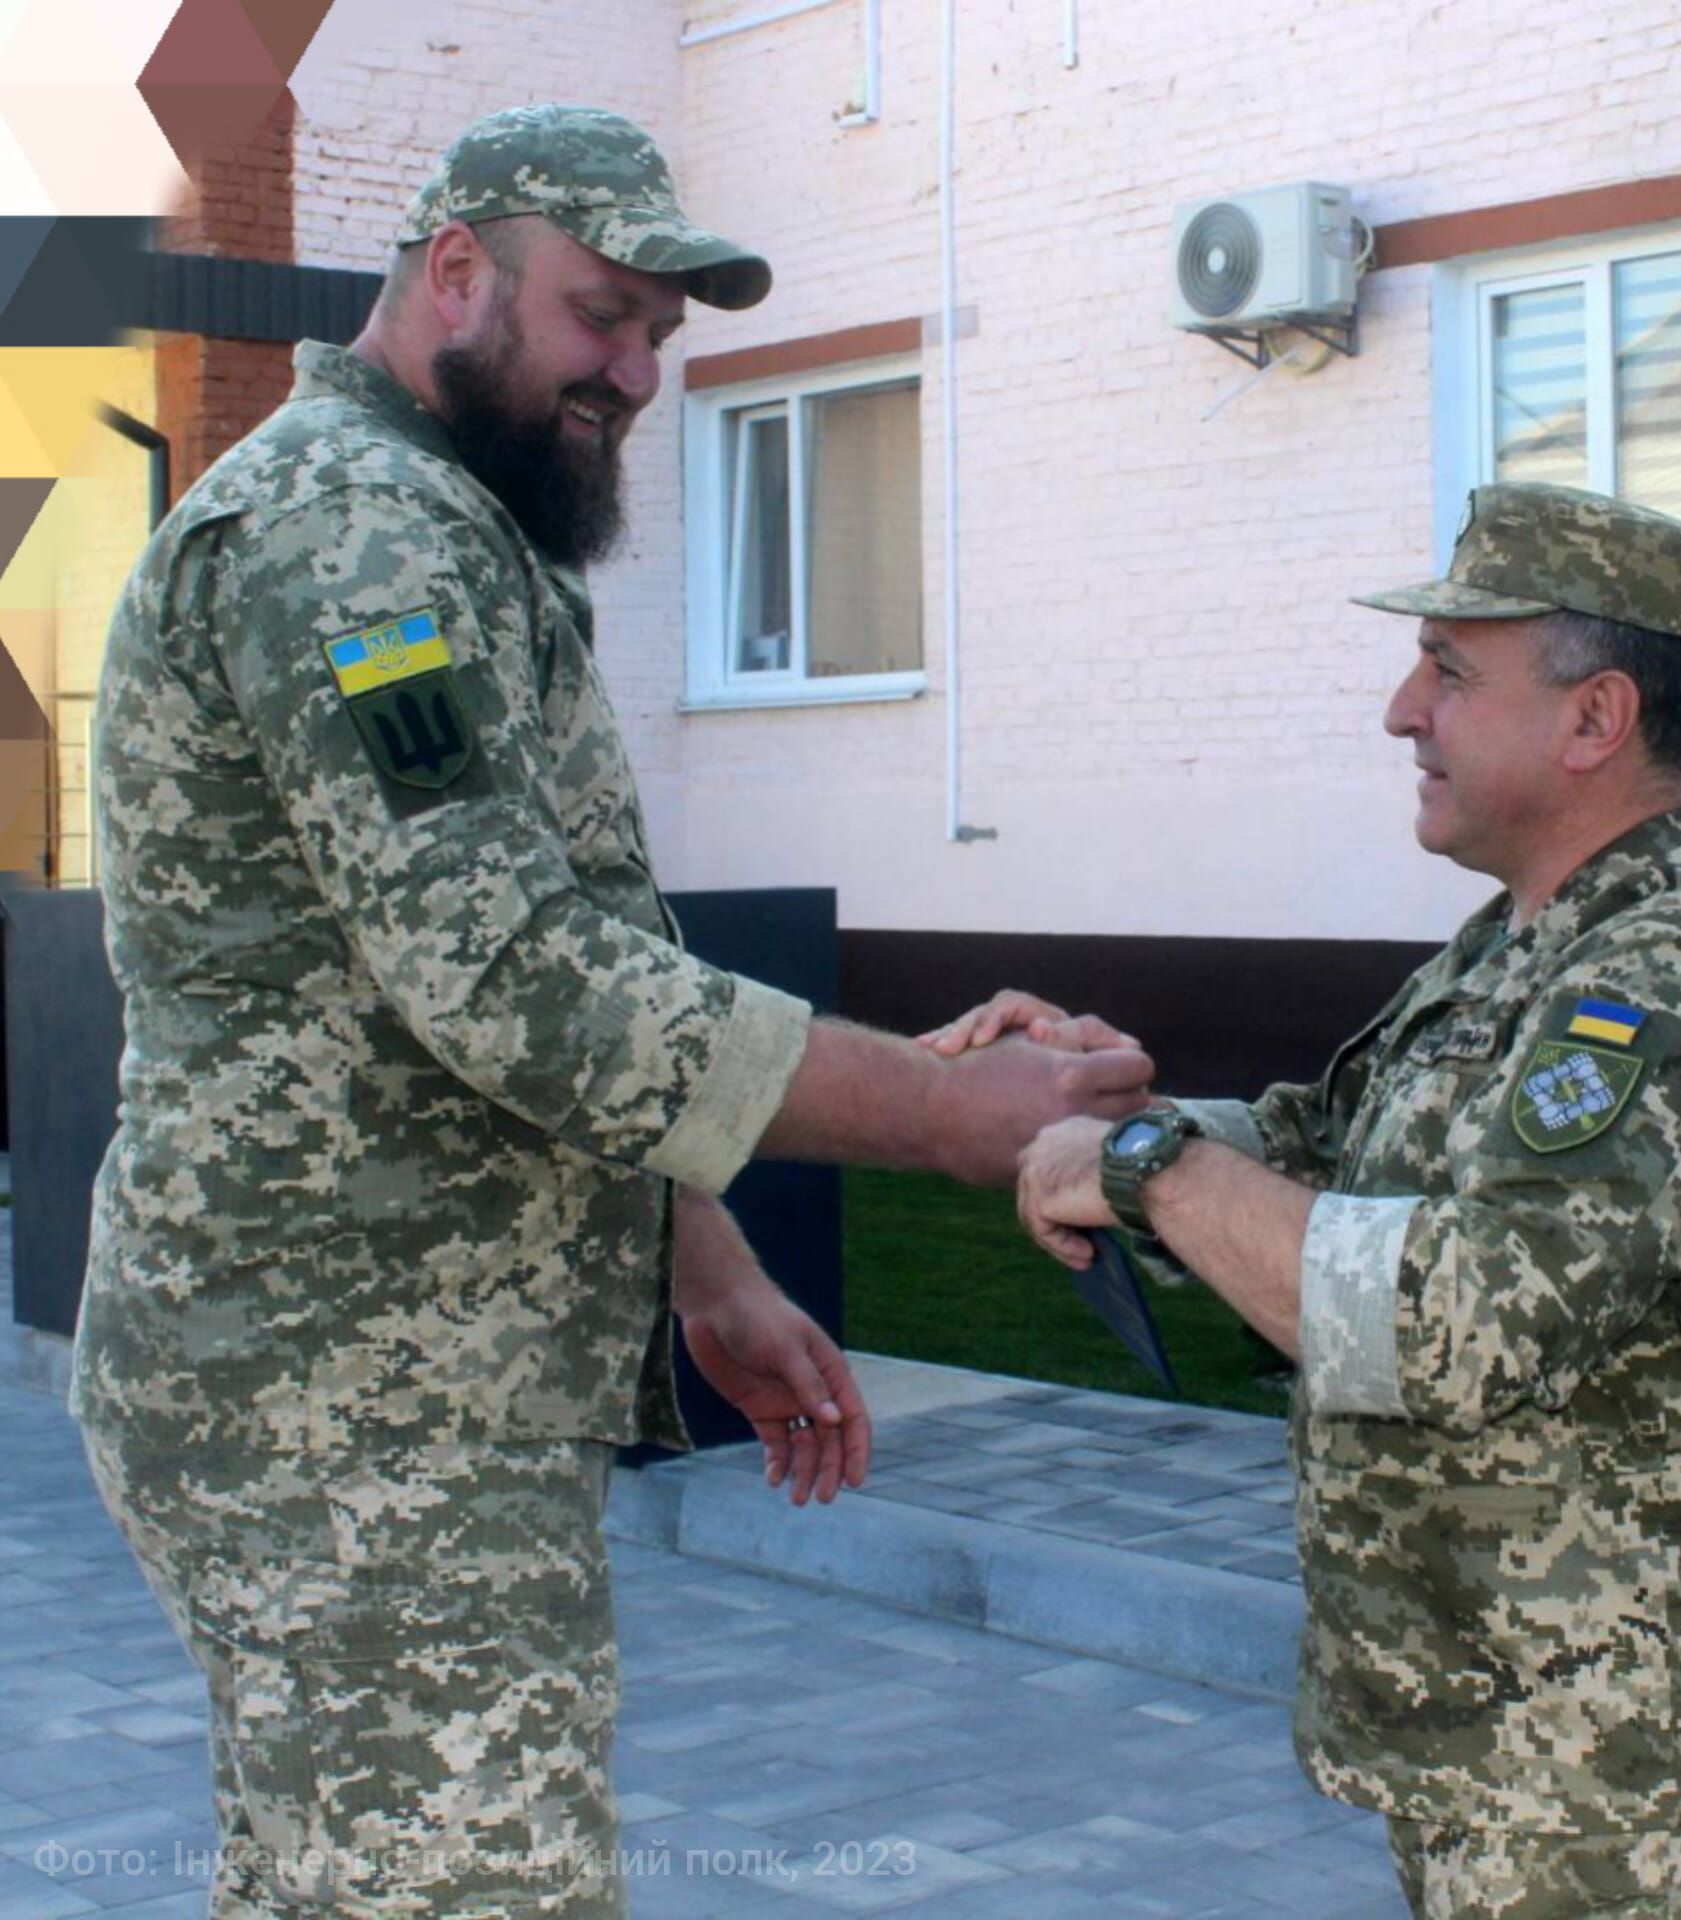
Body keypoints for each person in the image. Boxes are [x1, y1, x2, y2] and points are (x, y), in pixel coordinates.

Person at [74, 104, 1152, 1918]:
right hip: (343, 1409)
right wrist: (957, 1115)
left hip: (380, 1387)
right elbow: (513, 978)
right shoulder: (357, 541)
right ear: (453, 273)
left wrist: (698, 1251)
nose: (639, 371)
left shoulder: (443, 525)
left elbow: (542, 937)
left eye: (664, 333)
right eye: (605, 315)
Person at [942, 483, 1681, 1918]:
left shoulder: (1674, 984)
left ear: (1594, 720)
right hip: (1500, 1752)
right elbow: (1332, 1153)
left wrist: (1144, 1170)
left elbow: (1451, 1324)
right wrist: (1114, 1110)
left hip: (1622, 1795)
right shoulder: (1522, 949)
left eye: (1450, 671)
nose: (1399, 710)